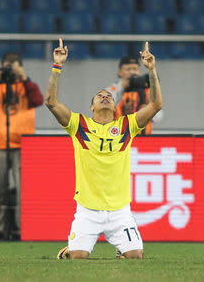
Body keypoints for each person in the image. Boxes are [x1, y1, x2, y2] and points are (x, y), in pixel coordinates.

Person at [46, 39, 162, 259]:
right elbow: (51, 102)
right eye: (99, 96)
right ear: (92, 106)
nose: (105, 96)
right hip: (88, 210)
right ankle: (70, 250)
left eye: (108, 96)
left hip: (120, 211)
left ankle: (123, 248)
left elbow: (156, 105)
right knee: (78, 257)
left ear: (115, 106)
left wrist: (152, 70)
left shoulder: (127, 126)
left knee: (136, 255)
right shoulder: (79, 125)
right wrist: (57, 66)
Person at [0, 52, 43, 240]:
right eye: (7, 67)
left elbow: (38, 100)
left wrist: (24, 77)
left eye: (14, 66)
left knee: (23, 191)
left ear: (21, 67)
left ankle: (22, 228)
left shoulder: (28, 86)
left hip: (23, 146)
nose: (10, 70)